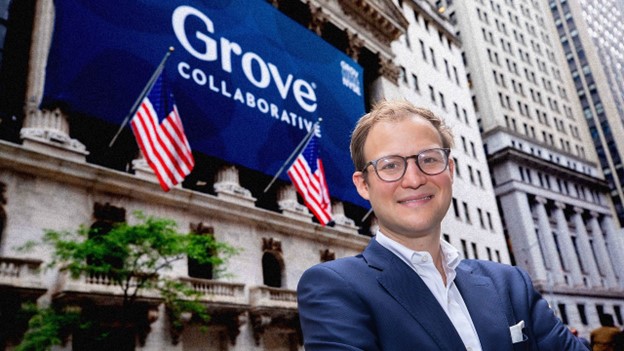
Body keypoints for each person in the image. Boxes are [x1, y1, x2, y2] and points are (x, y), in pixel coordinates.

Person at [297, 100, 587, 350]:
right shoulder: (333, 287)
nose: (413, 179)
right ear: (363, 185)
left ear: (449, 170)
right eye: (390, 166)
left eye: (429, 159)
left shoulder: (511, 285)